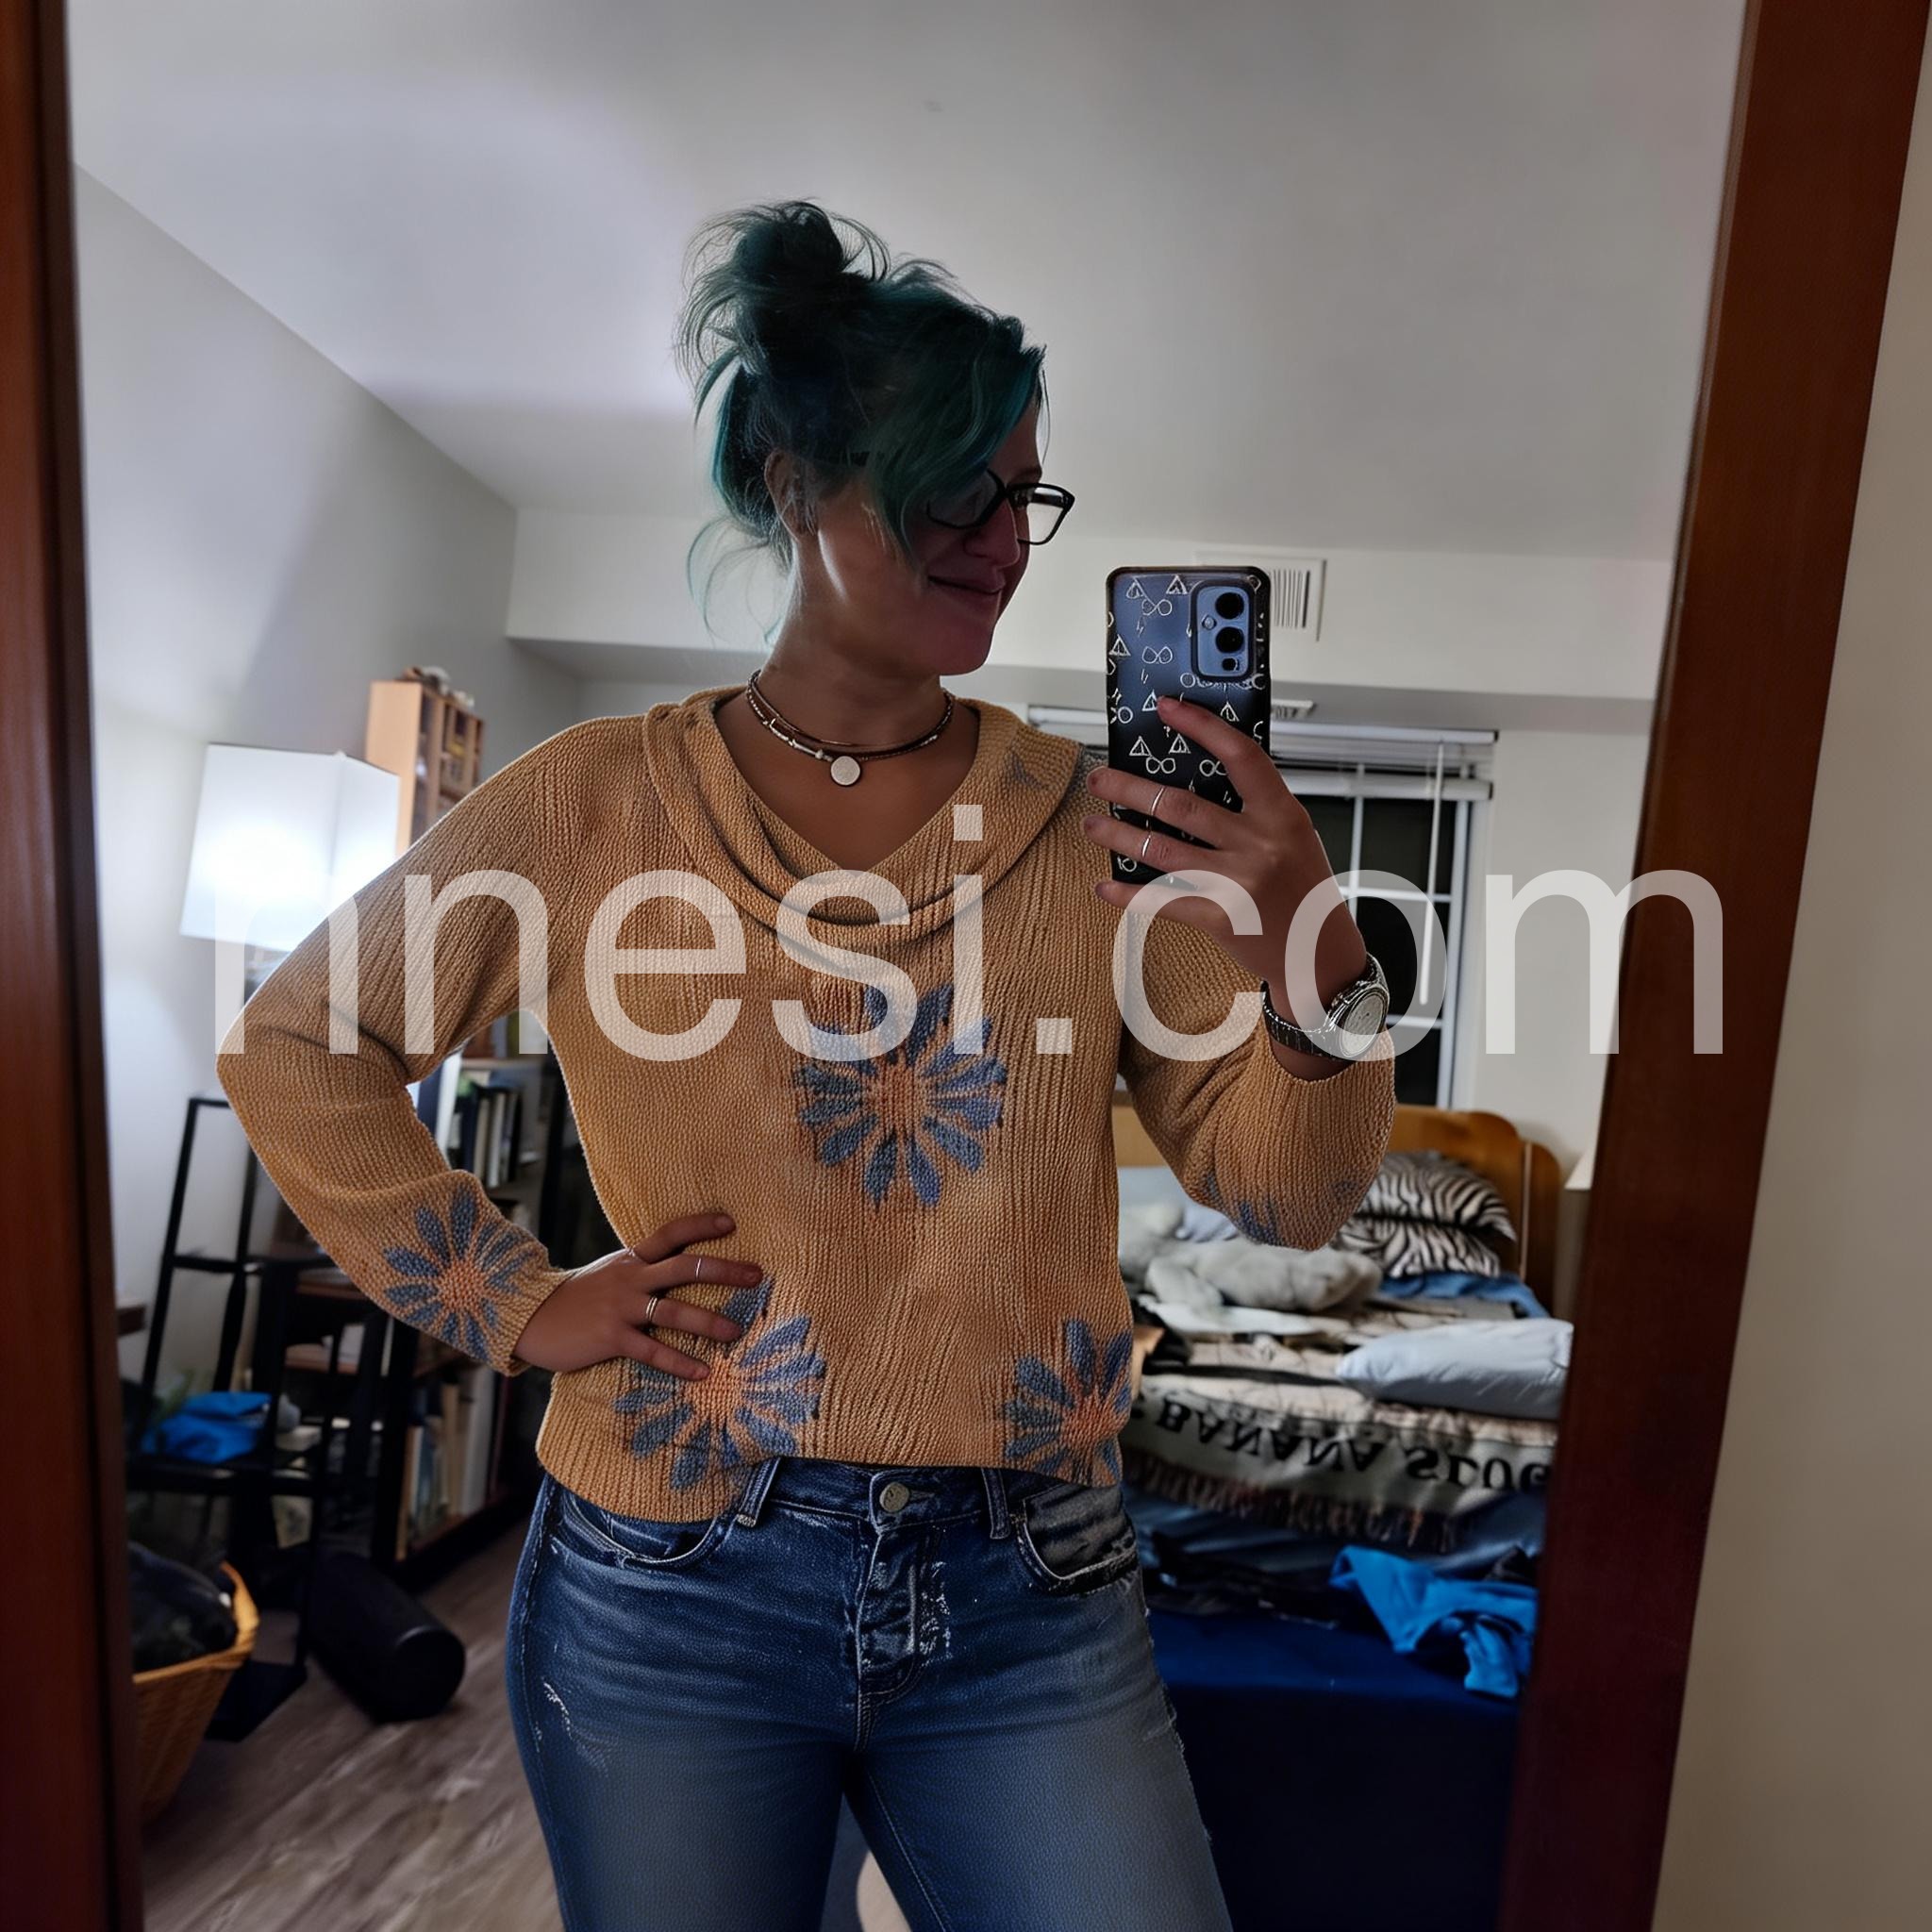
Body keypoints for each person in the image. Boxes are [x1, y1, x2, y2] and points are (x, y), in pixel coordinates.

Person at [218, 199, 1396, 1932]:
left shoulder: (1099, 828)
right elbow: (298, 1038)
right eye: (955, 491)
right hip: (671, 1575)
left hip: (1033, 1584)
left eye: (1027, 495)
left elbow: (1286, 1191)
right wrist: (516, 1302)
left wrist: (1310, 933)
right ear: (792, 480)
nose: (1004, 541)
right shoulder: (592, 801)